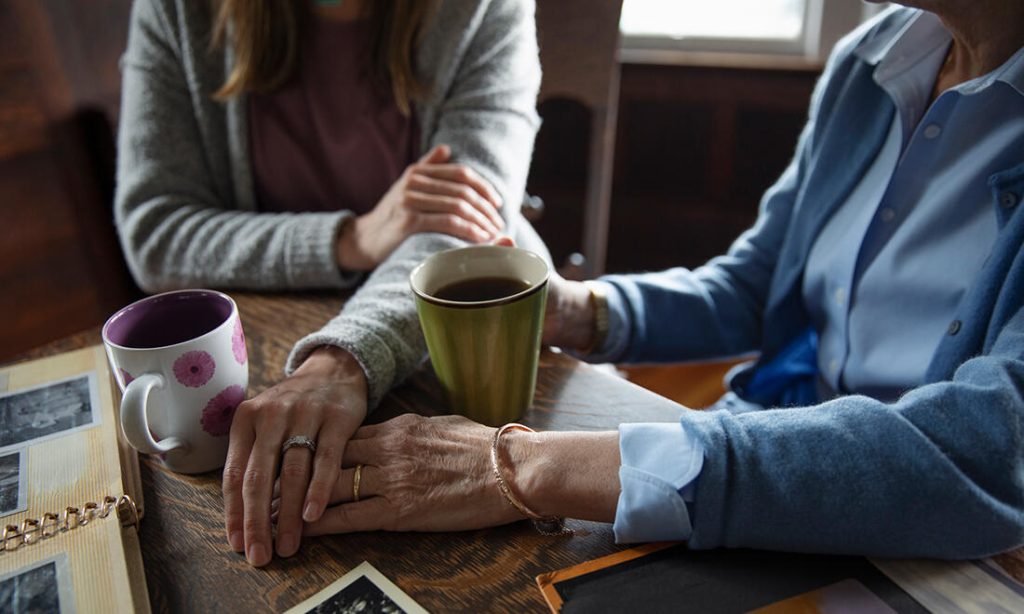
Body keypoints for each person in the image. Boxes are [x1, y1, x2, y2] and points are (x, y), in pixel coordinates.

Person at [290, 1, 1024, 559]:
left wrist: (522, 465)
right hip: (761, 439)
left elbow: (984, 450)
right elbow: (754, 287)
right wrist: (580, 310)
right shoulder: (877, 59)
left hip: (934, 544)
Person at [114, 0, 546, 566]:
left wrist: (341, 362)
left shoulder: (483, 8)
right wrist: (352, 239)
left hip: (416, 351)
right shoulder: (178, 11)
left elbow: (467, 234)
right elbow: (157, 232)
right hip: (269, 354)